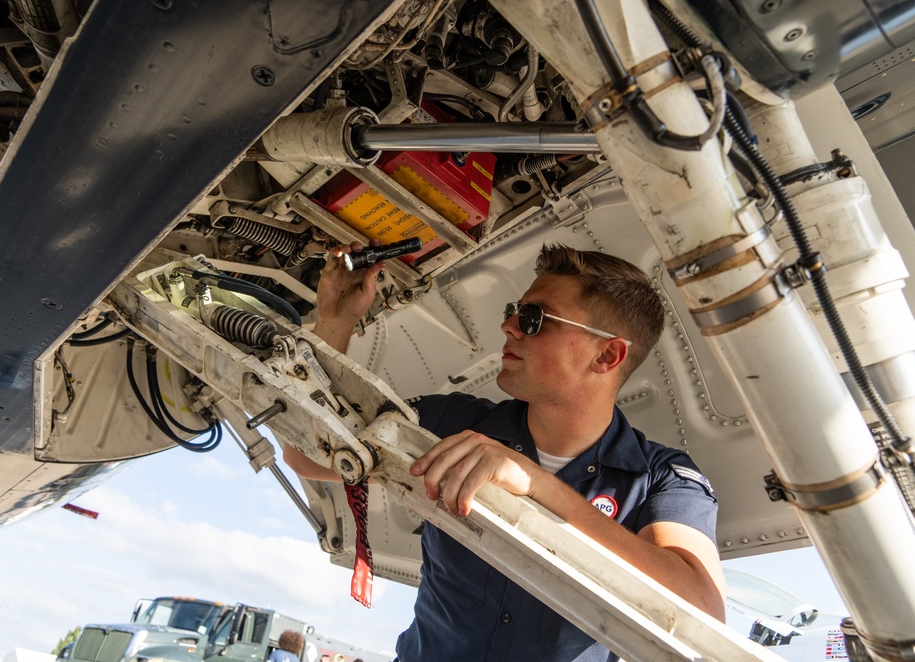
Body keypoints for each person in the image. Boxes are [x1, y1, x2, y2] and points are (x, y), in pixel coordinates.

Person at [285, 241, 725, 661]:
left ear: (608, 355)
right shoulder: (450, 423)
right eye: (514, 312)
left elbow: (703, 613)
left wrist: (535, 484)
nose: (509, 326)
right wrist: (334, 323)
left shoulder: (663, 478)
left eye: (535, 318)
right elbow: (305, 455)